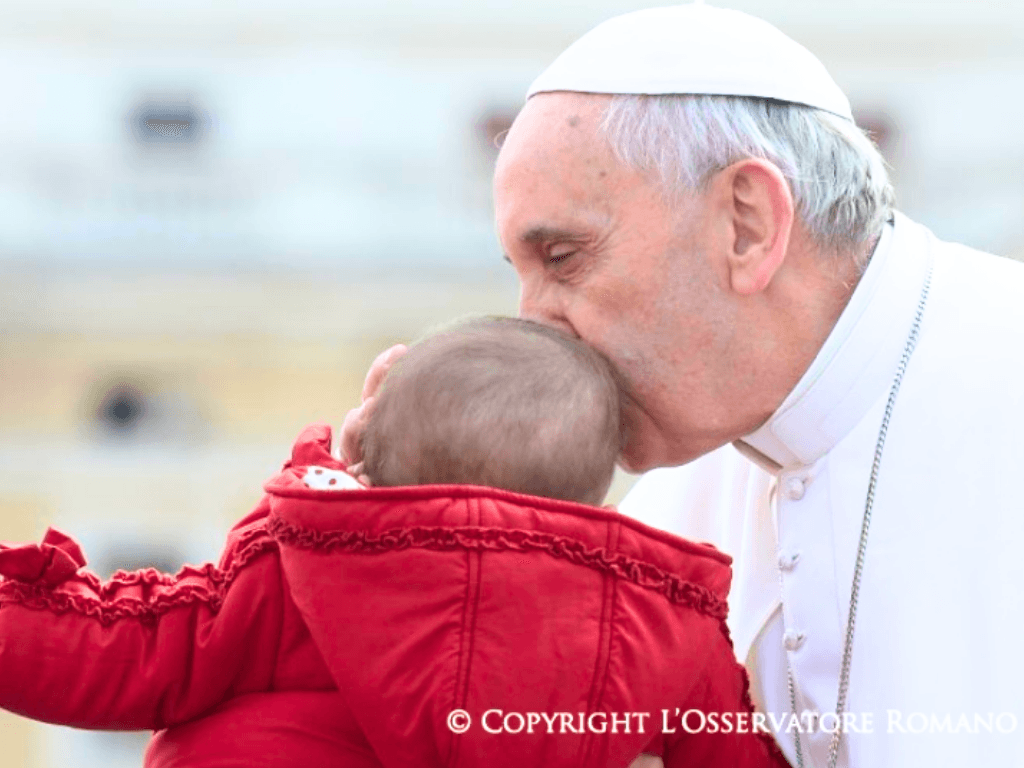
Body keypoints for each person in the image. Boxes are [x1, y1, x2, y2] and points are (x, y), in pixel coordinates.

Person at [343, 6, 1024, 768]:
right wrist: (382, 509)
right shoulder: (674, 490)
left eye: (563, 258)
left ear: (747, 223)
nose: (534, 326)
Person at [0, 317, 785, 768]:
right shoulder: (666, 634)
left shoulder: (297, 570)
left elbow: (110, 654)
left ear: (367, 423)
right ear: (592, 494)